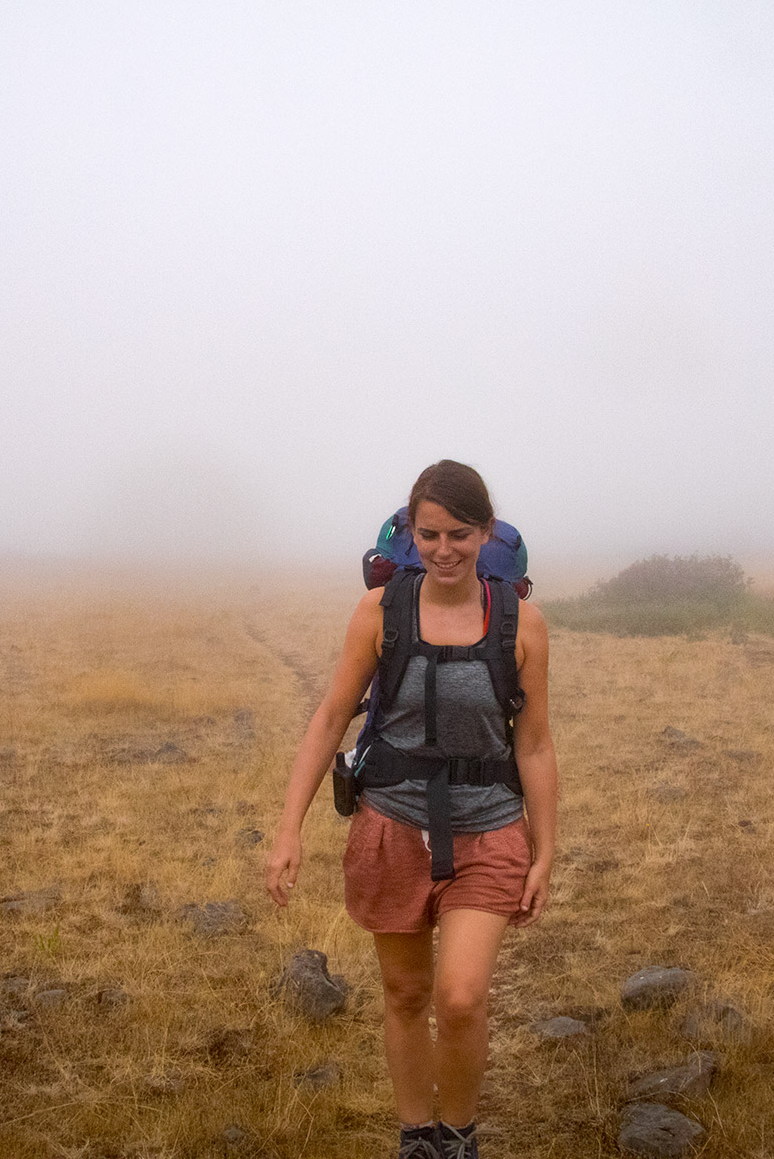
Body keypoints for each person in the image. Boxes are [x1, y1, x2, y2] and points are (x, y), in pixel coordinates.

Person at [266, 460, 558, 1159]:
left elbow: (537, 742)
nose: (445, 550)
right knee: (403, 993)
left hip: (488, 830)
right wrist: (288, 831)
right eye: (429, 534)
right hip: (391, 827)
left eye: (461, 534)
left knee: (459, 998)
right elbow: (332, 714)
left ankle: (458, 1138)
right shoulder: (379, 612)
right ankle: (415, 1139)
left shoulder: (523, 623)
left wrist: (546, 850)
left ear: (487, 534)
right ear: (410, 532)